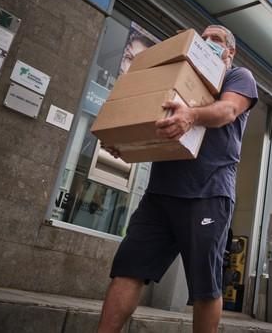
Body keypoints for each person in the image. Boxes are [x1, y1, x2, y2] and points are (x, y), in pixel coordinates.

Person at [97, 25, 258, 333]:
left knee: (204, 286)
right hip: (160, 194)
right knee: (128, 269)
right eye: (204, 38)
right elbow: (150, 121)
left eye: (217, 40)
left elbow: (227, 111)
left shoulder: (239, 77)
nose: (207, 42)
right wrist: (125, 140)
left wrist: (192, 115)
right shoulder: (180, 77)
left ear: (230, 51)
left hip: (207, 193)